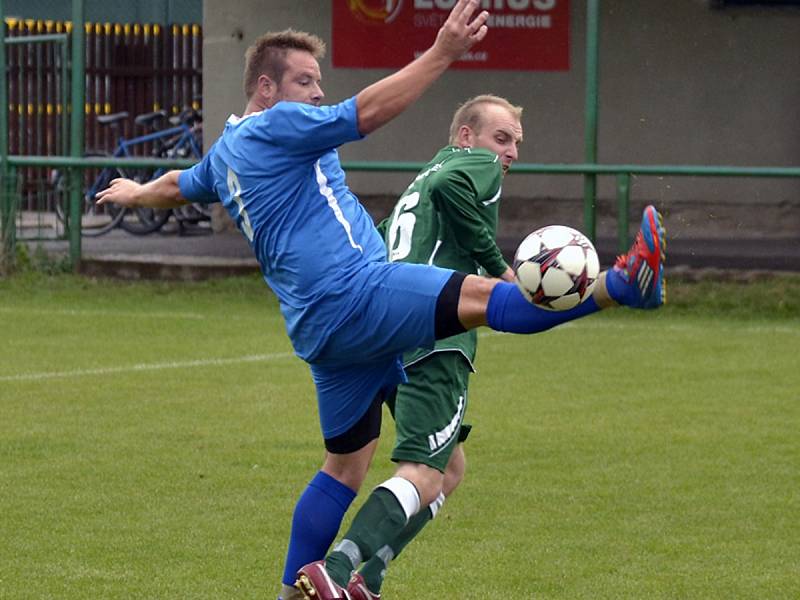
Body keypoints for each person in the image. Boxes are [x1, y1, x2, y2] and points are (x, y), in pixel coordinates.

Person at [94, 1, 665, 598]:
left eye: (319, 81)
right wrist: (443, 51)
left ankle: (301, 591)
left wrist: (135, 192)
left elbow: (176, 185)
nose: (317, 93)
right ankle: (623, 284)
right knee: (486, 299)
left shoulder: (226, 155)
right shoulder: (276, 127)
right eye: (304, 81)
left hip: (318, 331)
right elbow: (364, 112)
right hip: (356, 294)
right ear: (266, 89)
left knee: (367, 468)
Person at [294, 95, 665, 599]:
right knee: (424, 473)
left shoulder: (418, 184)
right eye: (500, 138)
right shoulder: (470, 167)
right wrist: (496, 265)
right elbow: (456, 188)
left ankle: (368, 576)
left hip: (387, 324)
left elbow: (378, 243)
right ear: (466, 137)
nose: (508, 152)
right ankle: (338, 569)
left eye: (515, 143)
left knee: (450, 469)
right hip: (436, 336)